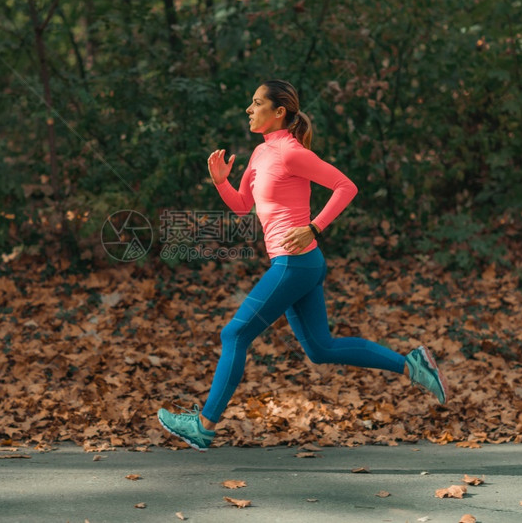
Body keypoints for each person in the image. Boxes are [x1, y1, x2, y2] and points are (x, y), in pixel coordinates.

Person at [157, 79, 449, 451]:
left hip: (295, 263)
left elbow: (346, 186)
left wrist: (314, 226)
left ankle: (203, 425)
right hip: (301, 264)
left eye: (256, 102)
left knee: (234, 335)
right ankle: (412, 365)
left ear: (279, 112)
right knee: (320, 348)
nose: (249, 108)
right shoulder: (260, 155)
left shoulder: (291, 153)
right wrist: (220, 183)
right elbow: (243, 206)